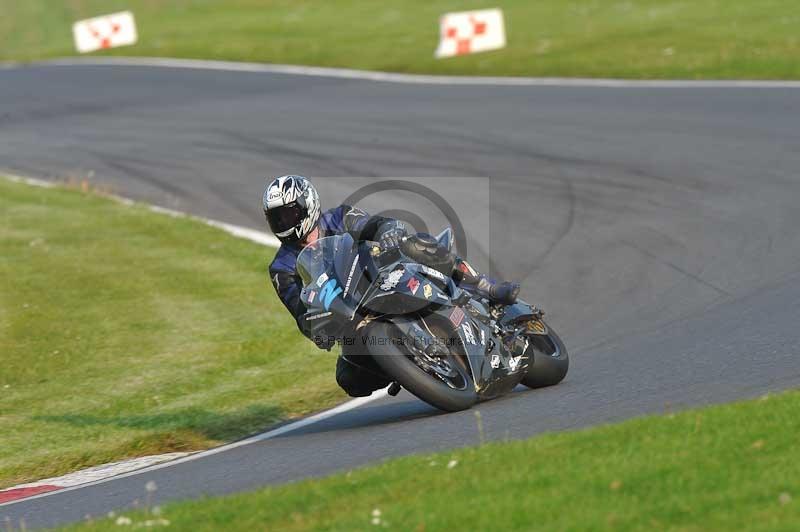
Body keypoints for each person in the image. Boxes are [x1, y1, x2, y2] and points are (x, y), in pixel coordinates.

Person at [264, 175, 519, 397]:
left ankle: (483, 285)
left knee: (416, 243)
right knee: (350, 379)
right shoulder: (281, 268)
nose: (284, 223)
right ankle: (407, 364)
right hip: (349, 318)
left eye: (289, 214)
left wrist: (388, 230)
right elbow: (299, 311)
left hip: (382, 277)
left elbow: (373, 224)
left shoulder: (339, 217)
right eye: (277, 218)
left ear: (307, 205)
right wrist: (316, 327)